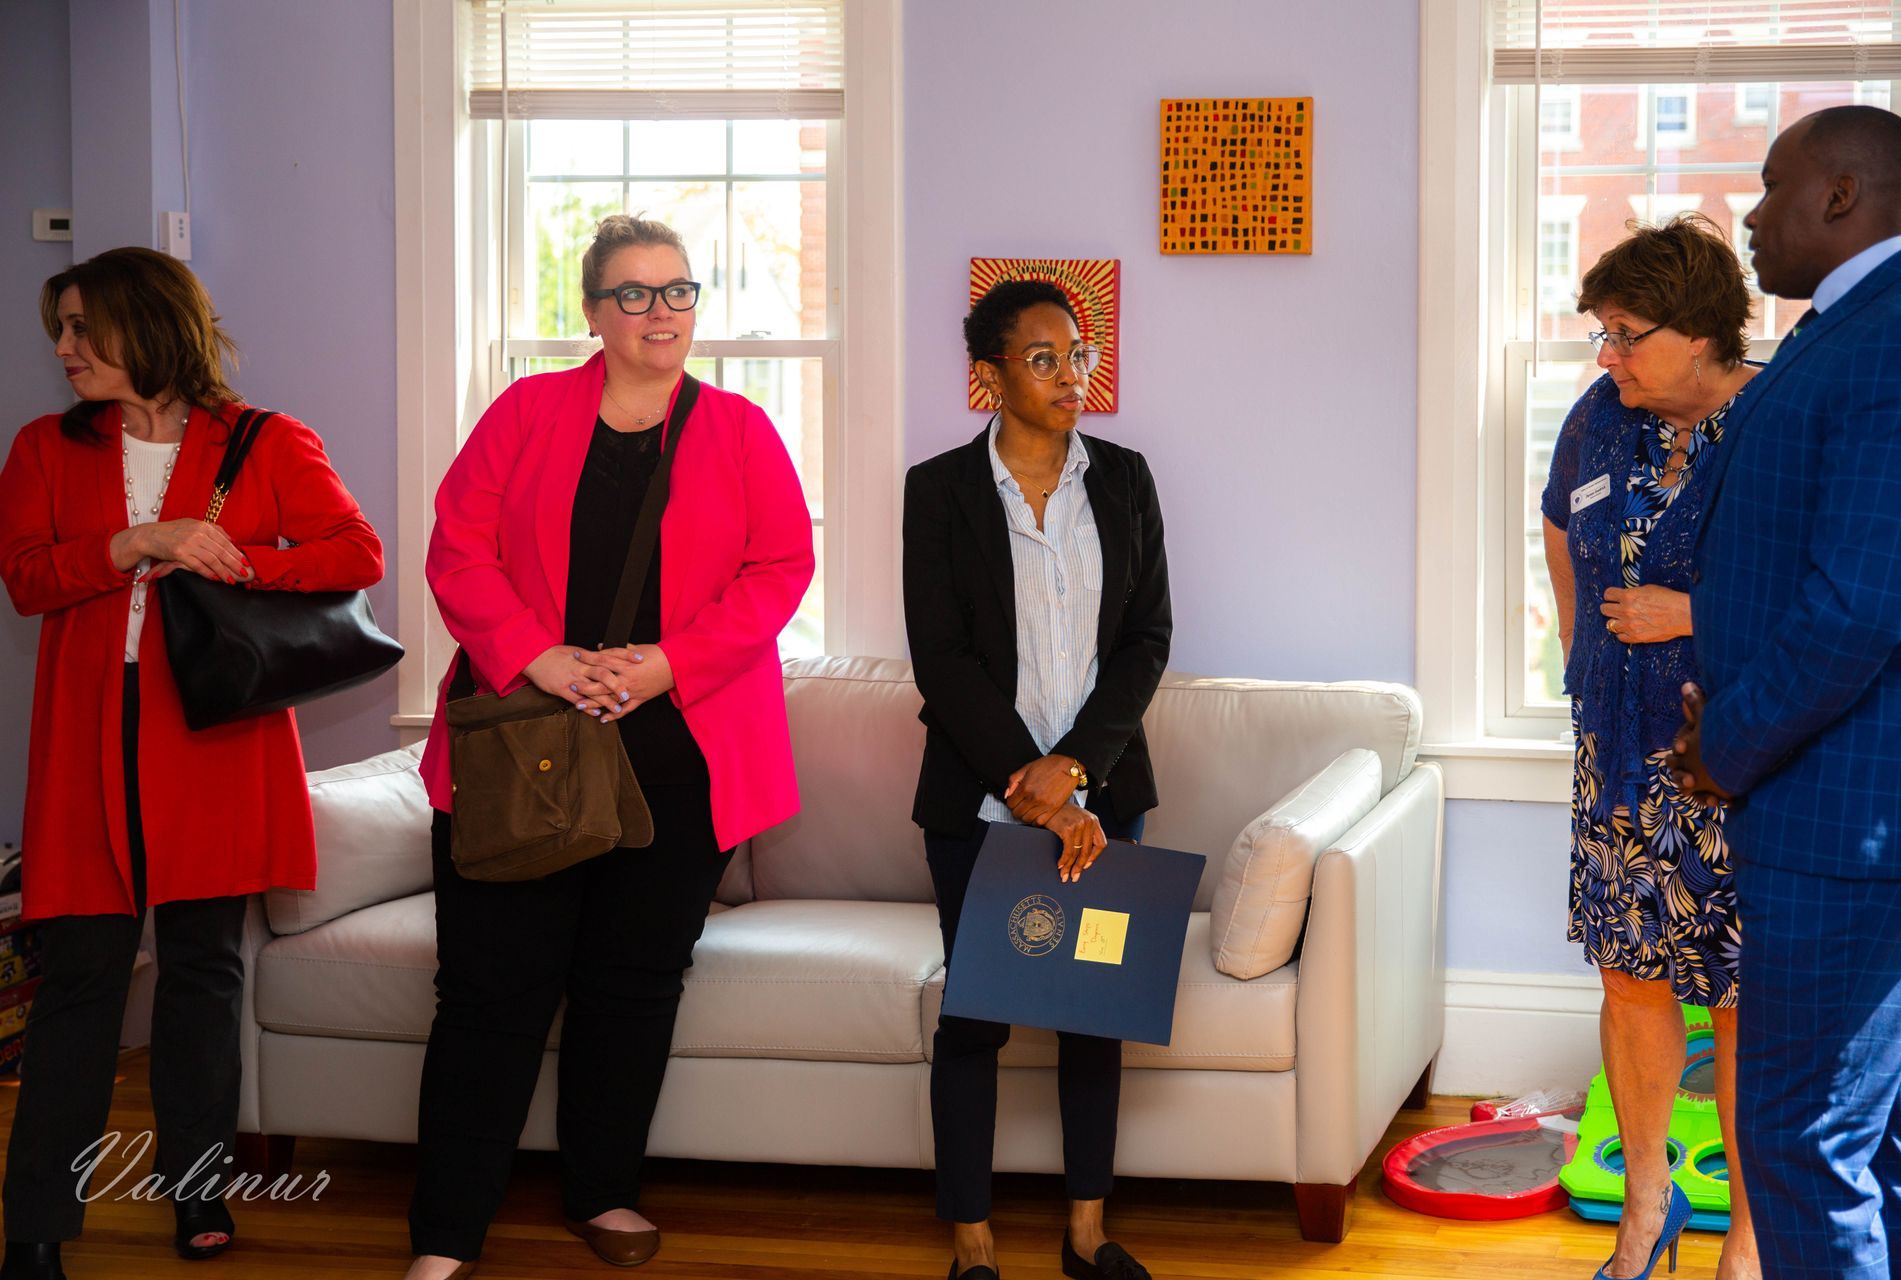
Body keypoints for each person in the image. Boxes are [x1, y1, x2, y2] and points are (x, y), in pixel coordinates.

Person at [406, 215, 814, 1280]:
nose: (659, 312)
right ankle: (447, 1232)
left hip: (678, 750)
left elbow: (780, 568)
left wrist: (665, 663)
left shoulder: (740, 429)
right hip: (522, 744)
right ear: (591, 310)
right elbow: (457, 545)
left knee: (633, 984)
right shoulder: (527, 411)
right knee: (491, 991)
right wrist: (539, 655)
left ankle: (602, 1188)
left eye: (678, 291)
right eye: (632, 293)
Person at [0, 247, 384, 1280]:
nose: (65, 349)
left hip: (212, 731)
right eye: (61, 329)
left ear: (150, 326)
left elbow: (357, 552)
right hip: (89, 736)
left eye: (85, 328)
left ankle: (198, 1187)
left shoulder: (262, 439)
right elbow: (28, 579)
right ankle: (38, 1221)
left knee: (204, 973)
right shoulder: (44, 445)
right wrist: (137, 542)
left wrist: (243, 559)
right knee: (79, 977)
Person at [1672, 106, 1901, 1280]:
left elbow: (1863, 605)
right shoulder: (1851, 327)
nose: (1751, 215)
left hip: (1846, 819)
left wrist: (1730, 739)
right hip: (1829, 808)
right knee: (1877, 1143)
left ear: (1840, 193)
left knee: (1799, 1138)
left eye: (1770, 189)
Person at [902, 279, 1172, 1280]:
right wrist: (1026, 782)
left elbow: (1149, 638)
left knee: (1092, 1014)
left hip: (1103, 797)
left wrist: (1075, 776)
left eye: (1081, 353)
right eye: (1045, 357)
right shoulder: (937, 490)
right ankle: (972, 1238)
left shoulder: (1128, 478)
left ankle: (1087, 1233)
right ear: (990, 373)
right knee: (975, 1017)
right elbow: (944, 659)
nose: (1072, 375)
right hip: (980, 801)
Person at [1541, 215, 1762, 1280]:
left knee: (1737, 992)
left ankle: (1751, 1241)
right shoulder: (1597, 419)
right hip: (1615, 753)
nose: (1608, 356)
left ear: (1700, 332)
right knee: (1630, 976)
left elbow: (1831, 601)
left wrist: (1690, 616)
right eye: (1603, 333)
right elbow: (1557, 523)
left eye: (1626, 334)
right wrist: (1590, 649)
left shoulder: (1774, 422)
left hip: (1734, 762)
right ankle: (1644, 1211)